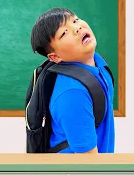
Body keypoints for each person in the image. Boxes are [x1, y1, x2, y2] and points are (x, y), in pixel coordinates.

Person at [30, 8, 115, 153]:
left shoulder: (99, 62)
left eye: (75, 20)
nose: (77, 28)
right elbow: (87, 161)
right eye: (64, 33)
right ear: (55, 57)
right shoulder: (72, 92)